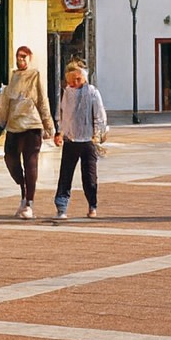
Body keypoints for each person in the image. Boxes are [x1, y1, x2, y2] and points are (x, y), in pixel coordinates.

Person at [0, 46, 53, 218]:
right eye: (18, 56)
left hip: (32, 125)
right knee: (10, 159)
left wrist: (49, 125)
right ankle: (23, 188)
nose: (20, 60)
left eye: (23, 57)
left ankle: (29, 202)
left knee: (30, 162)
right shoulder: (13, 76)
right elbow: (6, 102)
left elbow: (42, 100)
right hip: (14, 126)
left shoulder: (35, 75)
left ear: (30, 58)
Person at [52, 59, 106, 220]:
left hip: (88, 140)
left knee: (89, 176)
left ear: (84, 78)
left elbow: (99, 115)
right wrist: (60, 133)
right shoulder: (67, 93)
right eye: (71, 80)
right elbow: (64, 115)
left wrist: (98, 134)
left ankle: (92, 204)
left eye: (78, 79)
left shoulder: (92, 92)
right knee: (65, 175)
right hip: (71, 140)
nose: (75, 82)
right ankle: (61, 206)